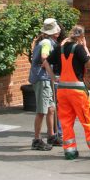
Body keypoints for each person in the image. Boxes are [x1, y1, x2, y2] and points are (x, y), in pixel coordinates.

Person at [48, 25, 90, 160]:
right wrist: (86, 47)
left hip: (62, 90)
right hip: (77, 91)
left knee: (66, 122)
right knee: (87, 120)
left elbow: (45, 62)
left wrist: (53, 77)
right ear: (81, 37)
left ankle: (70, 152)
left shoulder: (60, 48)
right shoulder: (79, 48)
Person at [29, 18, 62, 151]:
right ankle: (36, 139)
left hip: (44, 79)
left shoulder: (45, 41)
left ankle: (51, 136)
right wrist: (52, 76)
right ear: (56, 33)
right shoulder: (47, 43)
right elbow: (44, 57)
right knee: (42, 111)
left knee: (51, 108)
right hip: (42, 79)